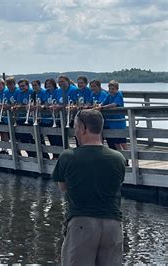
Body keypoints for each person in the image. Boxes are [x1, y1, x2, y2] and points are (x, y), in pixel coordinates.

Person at [52, 109, 125, 265]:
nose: (75, 130)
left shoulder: (68, 156)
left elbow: (63, 187)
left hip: (82, 222)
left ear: (83, 128)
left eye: (76, 126)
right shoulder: (118, 158)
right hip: (112, 225)